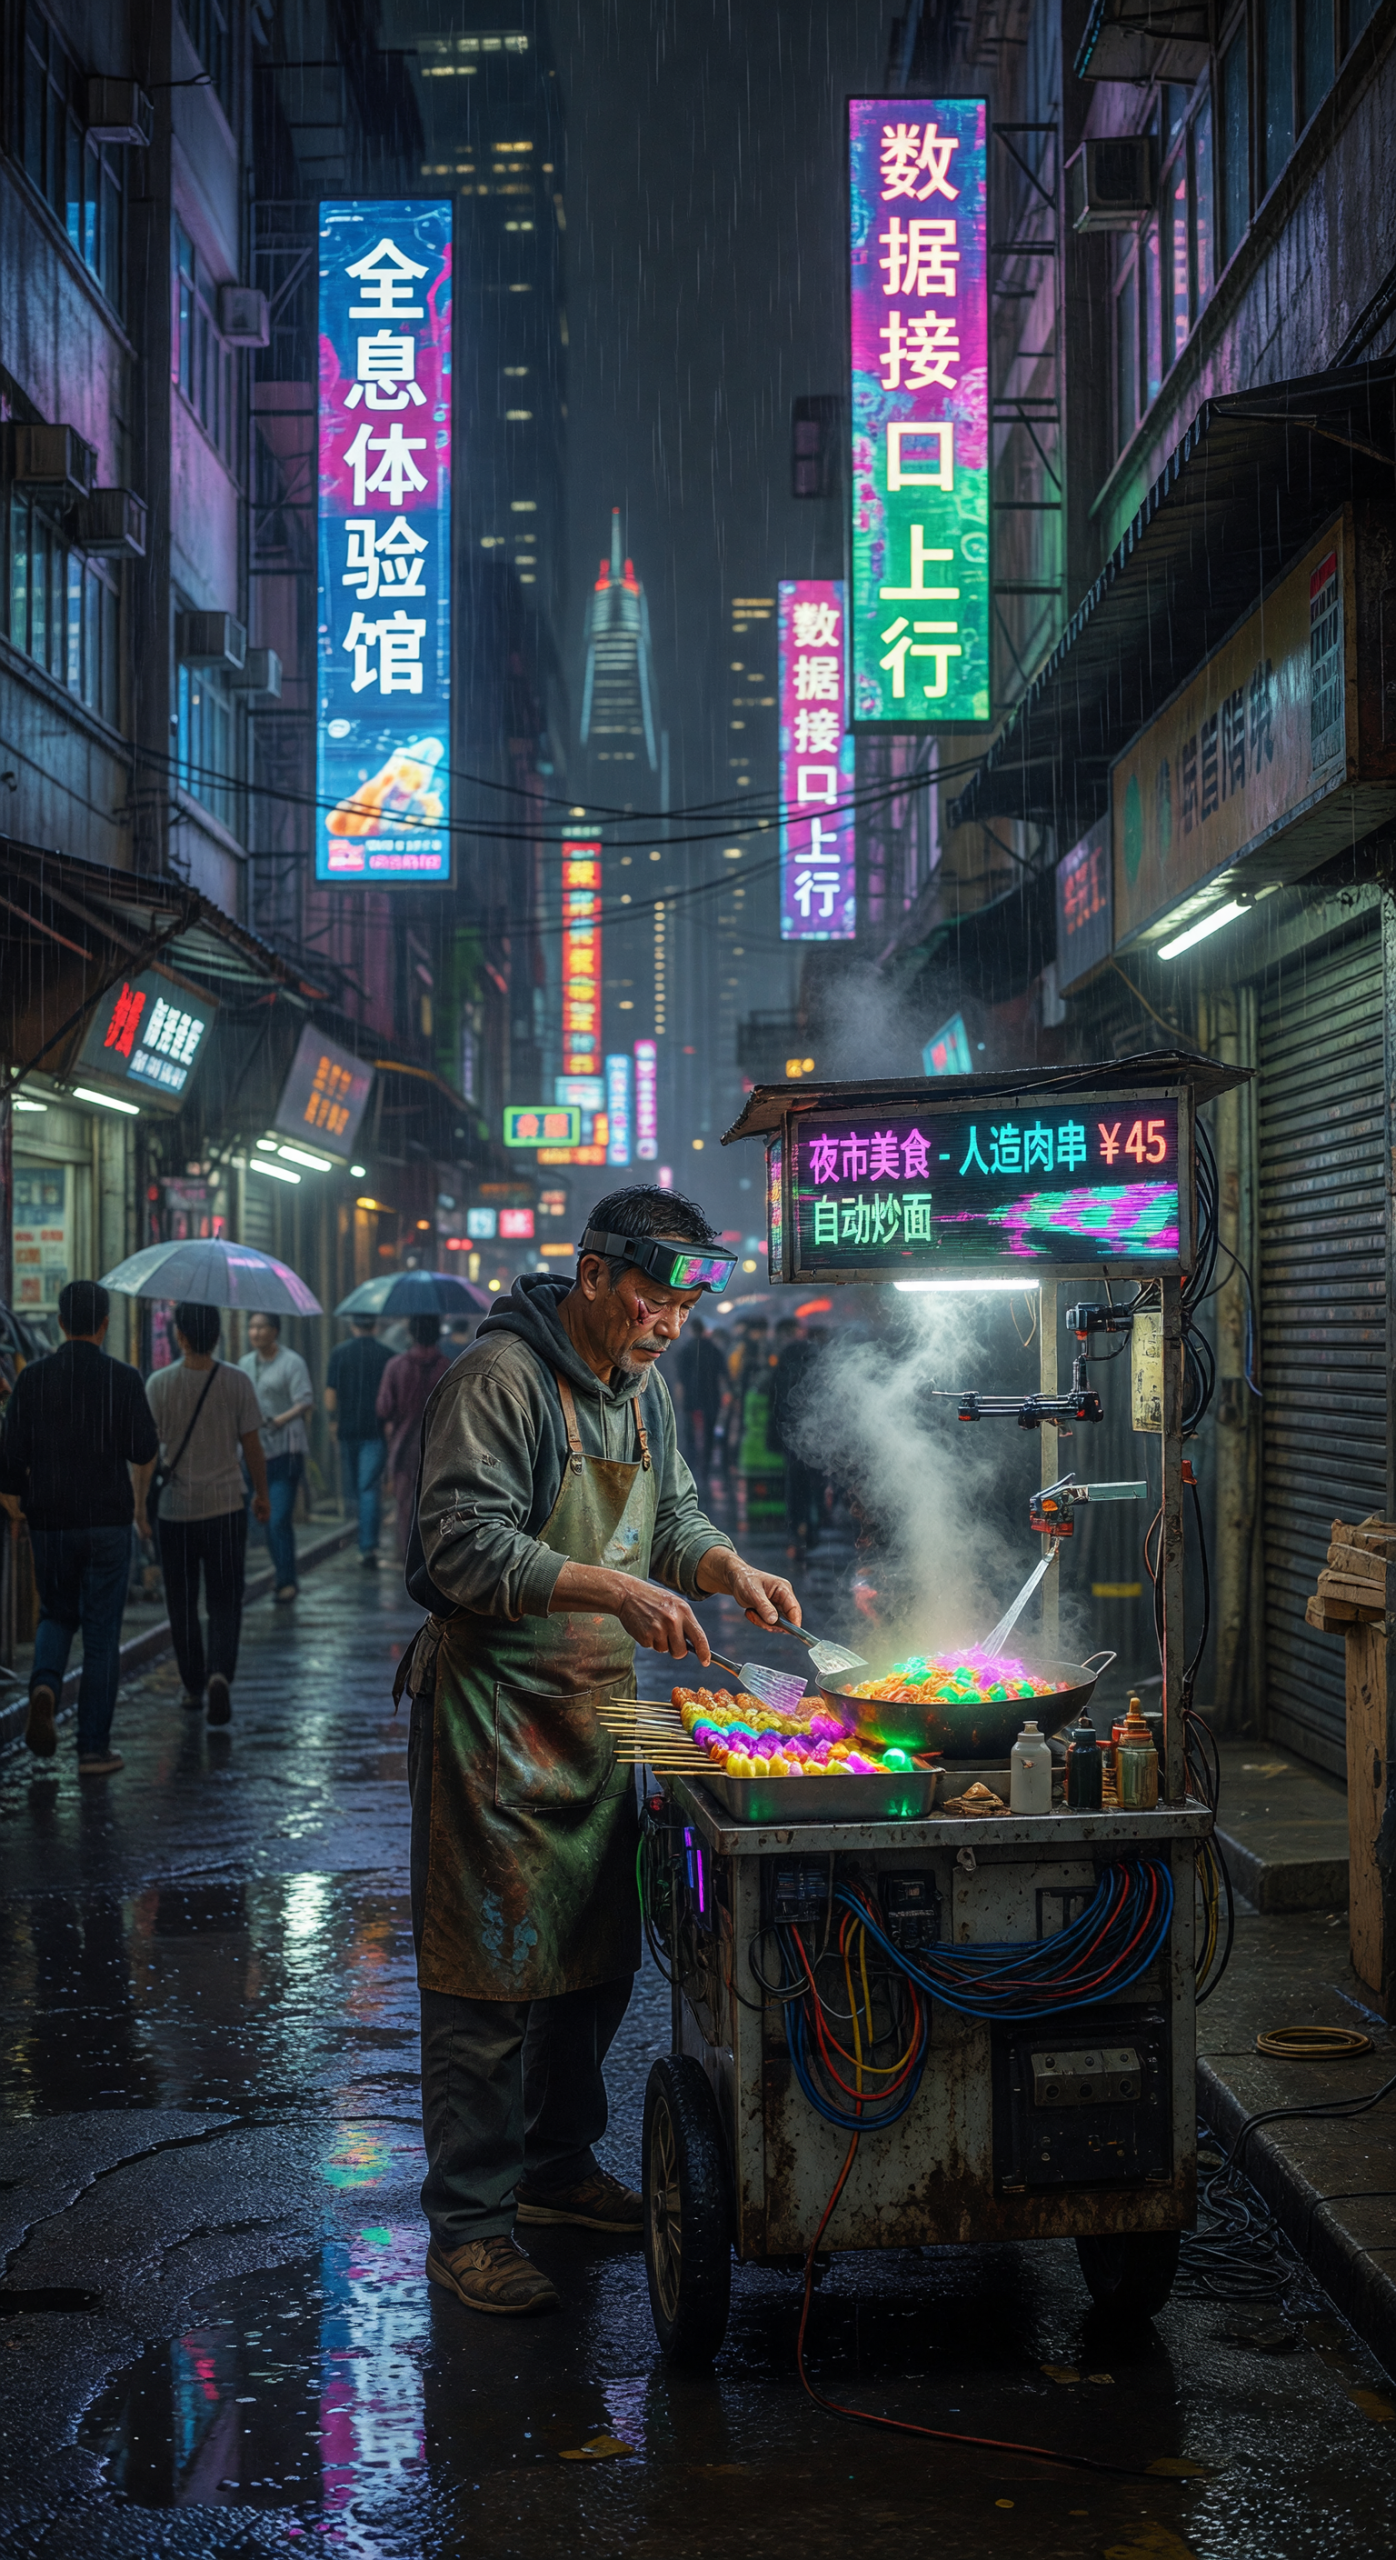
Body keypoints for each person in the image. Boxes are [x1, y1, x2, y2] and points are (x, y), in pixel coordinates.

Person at [400, 1184, 799, 2318]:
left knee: (592, 1957)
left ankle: (557, 2168)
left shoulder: (642, 1392)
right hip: (491, 1715)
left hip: (594, 1714)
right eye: (651, 1299)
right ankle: (470, 2226)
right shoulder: (502, 1380)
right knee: (486, 1984)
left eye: (682, 1309)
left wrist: (726, 1570)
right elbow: (461, 1545)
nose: (668, 1325)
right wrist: (611, 1586)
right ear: (591, 1276)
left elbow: (673, 1519)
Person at [0, 1278, 158, 1776]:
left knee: (55, 1614)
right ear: (105, 1324)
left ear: (61, 1322)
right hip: (107, 1521)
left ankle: (44, 1686)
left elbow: (11, 1456)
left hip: (50, 1520)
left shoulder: (34, 1378)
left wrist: (20, 1506)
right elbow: (142, 1450)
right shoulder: (123, 1377)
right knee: (101, 1633)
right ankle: (92, 1748)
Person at [136, 1303, 271, 1724]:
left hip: (175, 1513)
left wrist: (140, 1507)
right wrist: (261, 1494)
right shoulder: (237, 1382)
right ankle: (219, 1675)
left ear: (179, 1336)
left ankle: (193, 1684)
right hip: (226, 1508)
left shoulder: (158, 1384)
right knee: (226, 1599)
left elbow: (144, 1457)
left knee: (182, 1602)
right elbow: (252, 1447)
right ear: (217, 1336)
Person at [238, 1311, 314, 1602]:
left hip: (286, 1450)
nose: (255, 1332)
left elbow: (305, 1400)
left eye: (261, 1327)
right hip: (255, 1451)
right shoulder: (245, 1365)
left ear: (275, 1331)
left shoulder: (291, 1363)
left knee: (278, 1517)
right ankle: (282, 1572)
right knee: (263, 1517)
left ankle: (286, 1580)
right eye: (252, 1327)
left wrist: (279, 1420)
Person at [377, 1314, 450, 1559]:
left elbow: (384, 1407)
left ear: (410, 1334)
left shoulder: (396, 1366)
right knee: (438, 1503)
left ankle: (408, 1556)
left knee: (405, 1503)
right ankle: (434, 1555)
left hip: (404, 1445)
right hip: (439, 1446)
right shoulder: (448, 1366)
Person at [325, 1315, 393, 1569]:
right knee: (369, 1490)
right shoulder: (387, 1354)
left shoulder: (339, 1353)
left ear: (353, 1326)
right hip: (375, 1431)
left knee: (355, 1489)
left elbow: (330, 1396)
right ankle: (368, 1547)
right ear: (375, 1326)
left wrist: (334, 1421)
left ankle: (362, 1539)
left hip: (347, 1430)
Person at [673, 1313, 725, 1490]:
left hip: (691, 1399)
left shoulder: (686, 1349)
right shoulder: (713, 1348)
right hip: (711, 1398)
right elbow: (723, 1374)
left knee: (690, 1434)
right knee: (709, 1434)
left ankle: (690, 1467)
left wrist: (681, 1400)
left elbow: (680, 1379)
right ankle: (706, 1468)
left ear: (690, 1330)